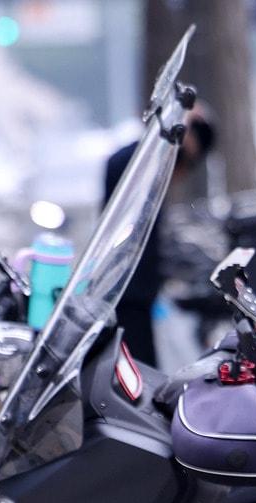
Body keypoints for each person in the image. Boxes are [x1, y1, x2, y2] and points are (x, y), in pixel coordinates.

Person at [102, 107, 214, 367]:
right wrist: (178, 125)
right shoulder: (136, 166)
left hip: (141, 293)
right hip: (126, 289)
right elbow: (118, 164)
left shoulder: (152, 174)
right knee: (136, 368)